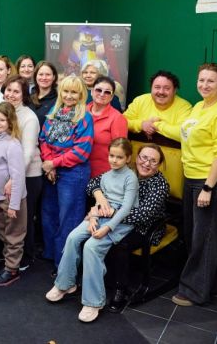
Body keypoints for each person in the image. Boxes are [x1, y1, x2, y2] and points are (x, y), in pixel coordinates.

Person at [46, 138, 138, 323]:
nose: (114, 160)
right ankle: (65, 284)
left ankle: (94, 301)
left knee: (91, 247)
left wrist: (107, 228)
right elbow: (99, 202)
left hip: (119, 222)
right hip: (100, 215)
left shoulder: (131, 178)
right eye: (111, 155)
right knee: (72, 237)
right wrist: (94, 217)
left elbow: (126, 209)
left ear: (128, 158)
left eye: (119, 157)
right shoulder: (106, 175)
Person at [173, 63, 217, 307]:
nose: (204, 85)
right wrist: (156, 125)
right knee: (198, 235)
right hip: (192, 176)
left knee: (205, 238)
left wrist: (208, 188)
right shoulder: (199, 106)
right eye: (201, 80)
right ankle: (214, 286)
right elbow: (185, 134)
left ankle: (194, 292)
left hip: (213, 182)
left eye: (211, 81)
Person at [102, 143, 169, 312]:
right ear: (136, 158)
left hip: (146, 227)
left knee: (120, 242)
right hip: (121, 220)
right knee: (96, 232)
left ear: (159, 165)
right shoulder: (127, 172)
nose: (146, 163)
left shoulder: (160, 185)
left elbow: (143, 215)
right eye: (144, 158)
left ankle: (121, 289)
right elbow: (94, 183)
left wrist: (113, 214)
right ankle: (101, 277)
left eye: (153, 161)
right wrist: (99, 196)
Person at [39, 74, 94, 270]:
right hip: (52, 170)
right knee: (49, 214)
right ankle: (51, 254)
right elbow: (43, 139)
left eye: (74, 92)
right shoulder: (54, 113)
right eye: (66, 91)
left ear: (81, 95)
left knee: (68, 219)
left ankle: (65, 265)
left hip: (73, 174)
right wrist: (49, 164)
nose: (69, 96)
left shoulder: (85, 117)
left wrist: (53, 163)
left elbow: (81, 151)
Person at [2, 76, 42, 270]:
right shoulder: (3, 112)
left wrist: (15, 179)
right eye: (8, 90)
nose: (11, 94)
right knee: (11, 220)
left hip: (28, 175)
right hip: (9, 175)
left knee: (24, 219)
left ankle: (25, 258)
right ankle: (11, 256)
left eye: (16, 91)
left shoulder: (29, 118)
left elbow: (27, 154)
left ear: (24, 95)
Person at [0, 102, 27, 286]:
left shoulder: (12, 144)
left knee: (14, 236)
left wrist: (14, 205)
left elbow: (18, 176)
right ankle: (8, 264)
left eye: (2, 120)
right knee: (4, 234)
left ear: (10, 122)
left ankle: (12, 269)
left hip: (10, 200)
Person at [123, 70, 192, 142]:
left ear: (175, 91)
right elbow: (122, 122)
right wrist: (141, 125)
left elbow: (184, 133)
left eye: (167, 88)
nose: (161, 92)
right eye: (157, 87)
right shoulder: (140, 100)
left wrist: (156, 125)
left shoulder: (184, 107)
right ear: (151, 88)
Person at [87, 76, 128, 178]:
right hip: (78, 171)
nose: (102, 94)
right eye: (98, 90)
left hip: (104, 175)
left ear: (112, 96)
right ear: (92, 91)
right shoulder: (81, 111)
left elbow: (121, 151)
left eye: (107, 92)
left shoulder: (117, 118)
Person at [30, 60, 58, 129]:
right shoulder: (28, 97)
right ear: (36, 76)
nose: (44, 78)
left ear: (54, 77)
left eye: (48, 74)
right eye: (41, 74)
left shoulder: (58, 100)